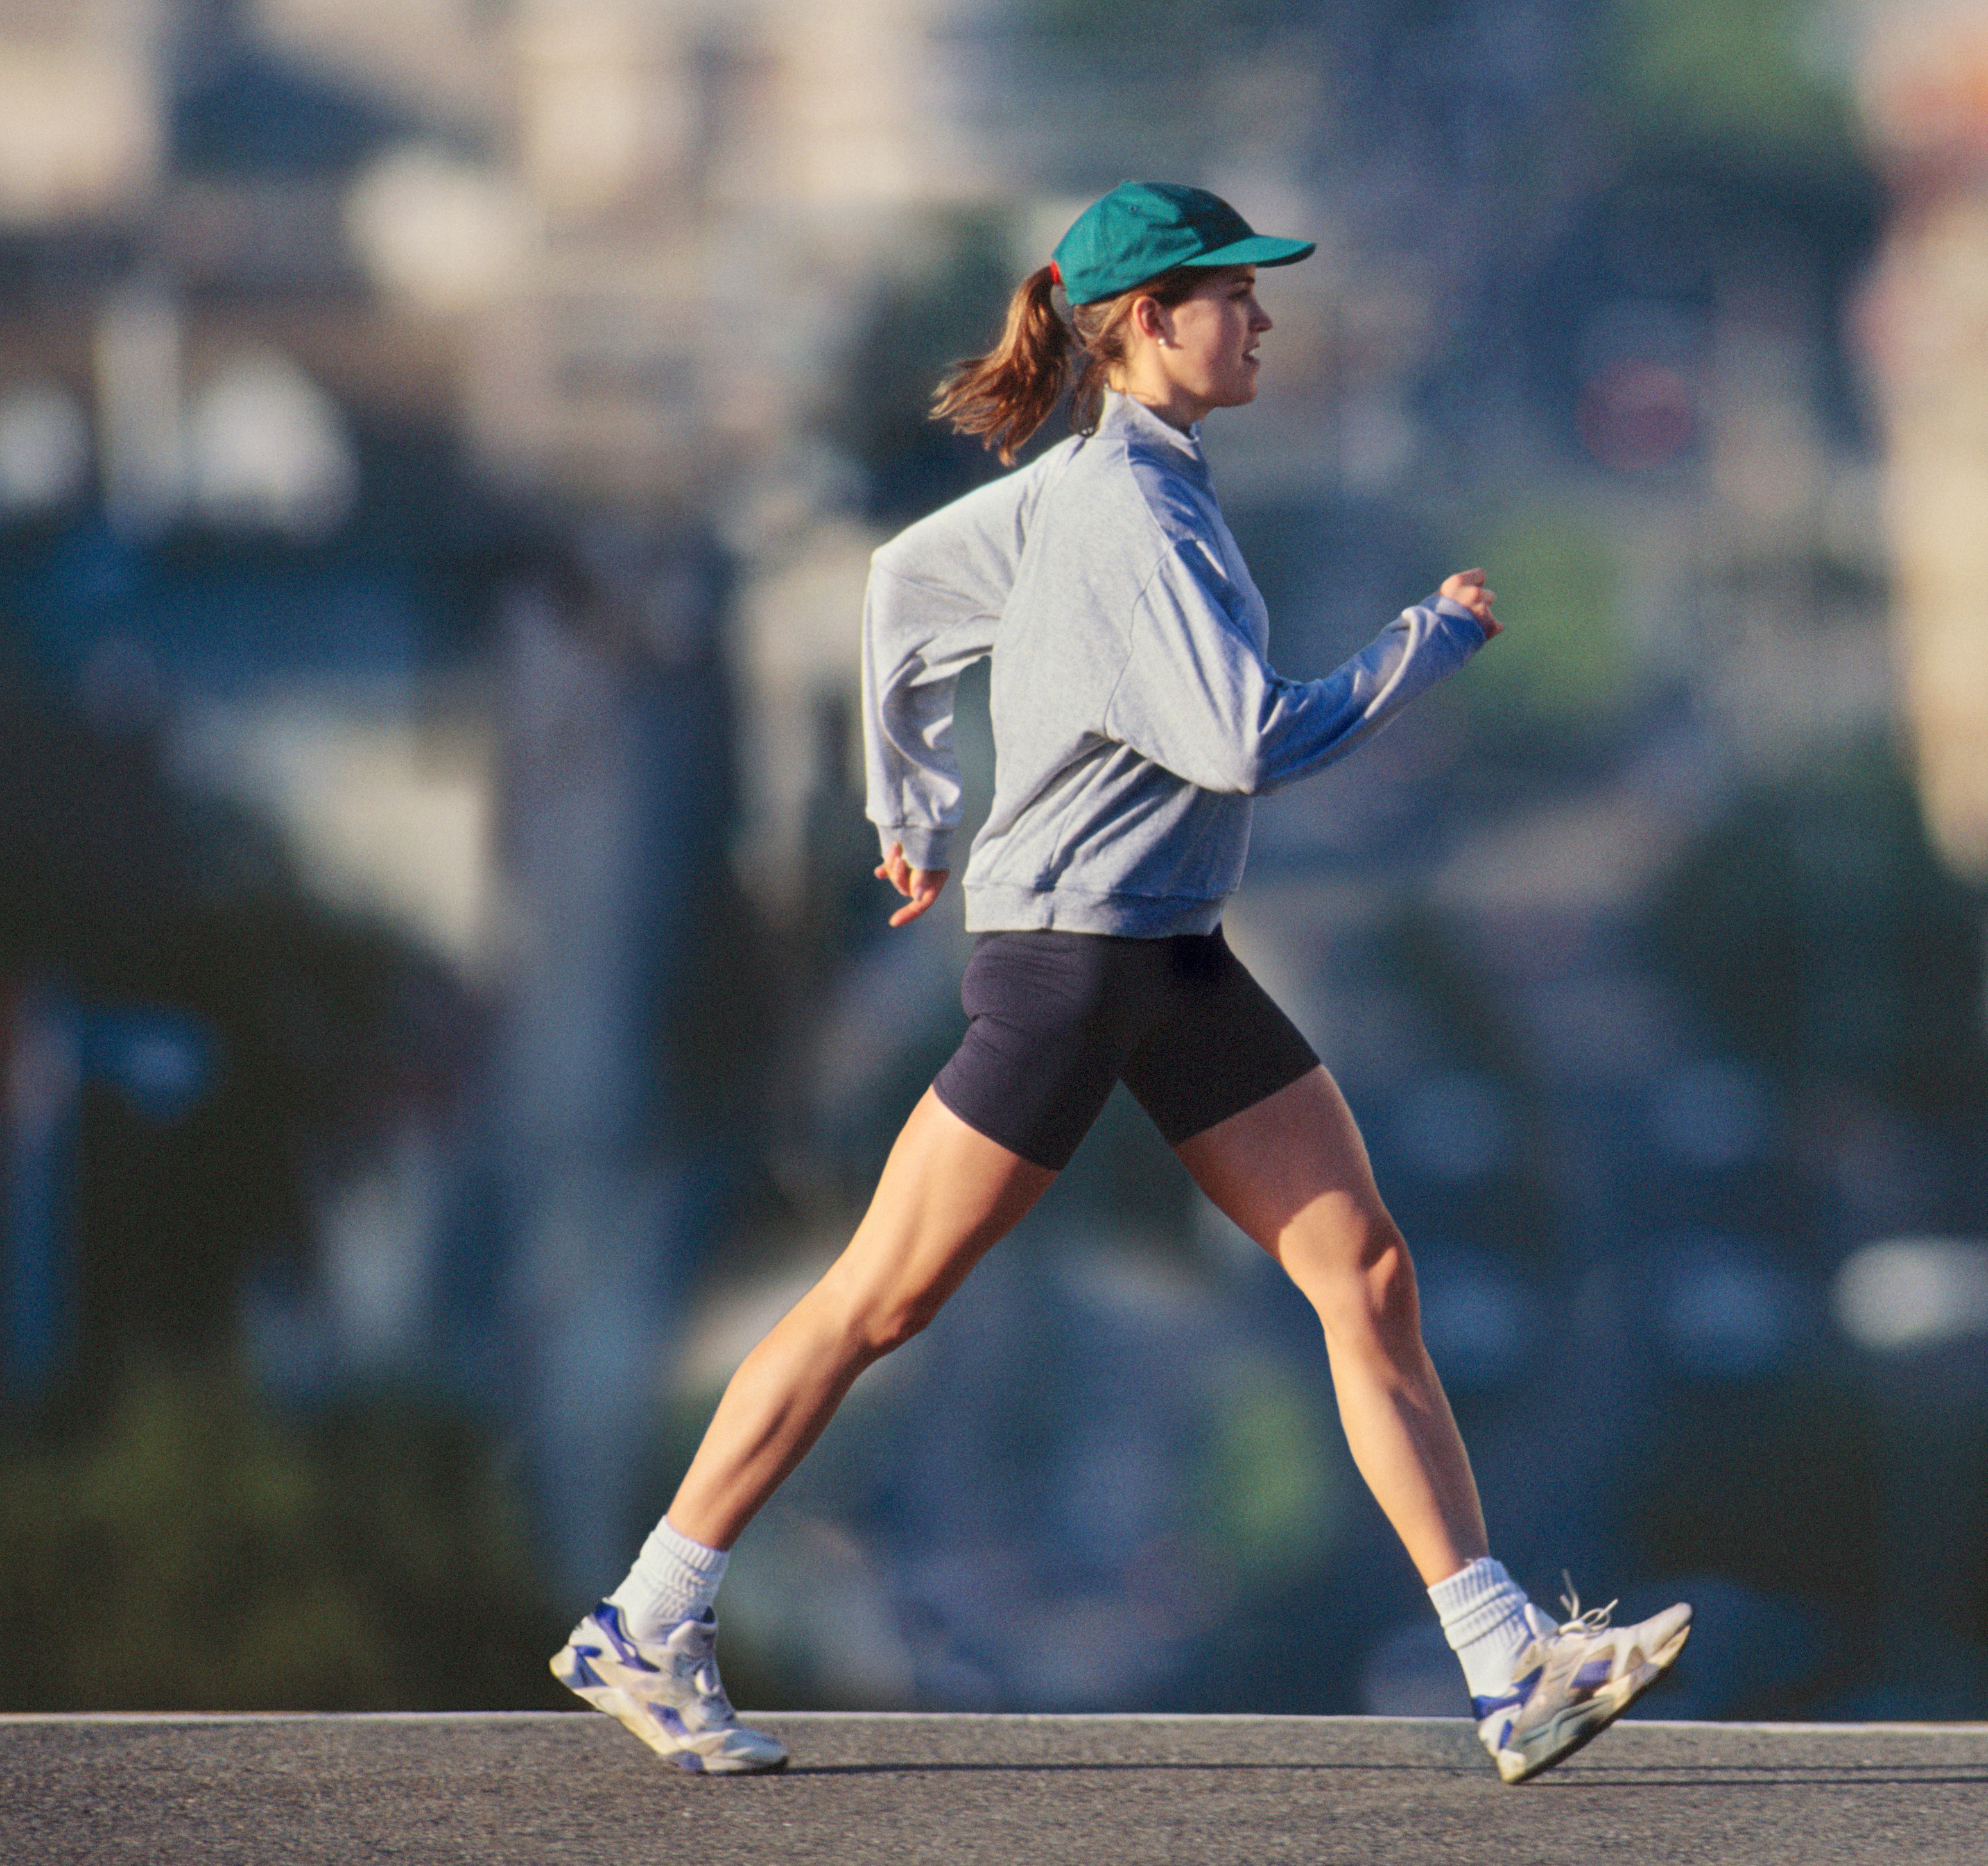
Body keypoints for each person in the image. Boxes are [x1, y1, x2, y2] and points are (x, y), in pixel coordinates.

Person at [551, 181, 1689, 1785]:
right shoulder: (1124, 514)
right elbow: (1245, 738)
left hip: (1169, 954)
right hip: (1078, 968)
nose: (1265, 319)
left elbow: (898, 586)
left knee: (1363, 1272)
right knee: (880, 1296)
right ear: (1148, 320)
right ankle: (646, 1617)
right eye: (1235, 293)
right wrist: (1423, 643)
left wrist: (914, 811)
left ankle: (1510, 1664)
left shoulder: (1102, 485)